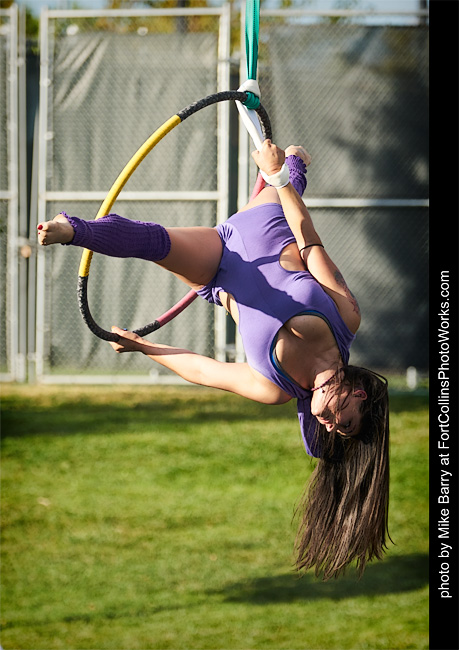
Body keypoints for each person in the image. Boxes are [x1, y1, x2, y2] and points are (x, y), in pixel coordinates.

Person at [38, 139, 391, 579]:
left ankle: (73, 230)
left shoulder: (275, 388)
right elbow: (307, 240)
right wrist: (280, 176)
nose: (330, 425)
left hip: (219, 265)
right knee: (284, 173)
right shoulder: (345, 318)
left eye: (335, 430)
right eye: (346, 421)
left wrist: (145, 348)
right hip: (267, 227)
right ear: (359, 394)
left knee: (156, 243)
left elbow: (206, 370)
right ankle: (295, 165)